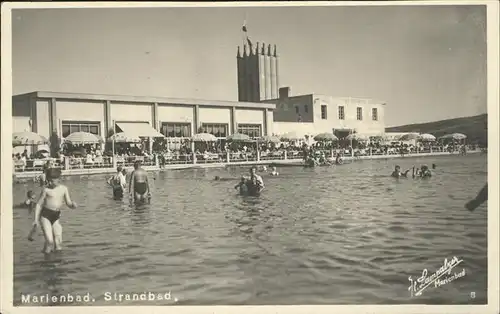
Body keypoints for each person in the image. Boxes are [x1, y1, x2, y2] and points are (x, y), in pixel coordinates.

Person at [31, 168, 77, 252]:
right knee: (50, 241)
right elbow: (38, 204)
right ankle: (46, 261)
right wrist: (35, 219)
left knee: (58, 242)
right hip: (45, 216)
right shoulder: (46, 190)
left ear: (59, 179)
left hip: (56, 217)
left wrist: (73, 206)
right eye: (48, 181)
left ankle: (57, 261)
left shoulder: (64, 189)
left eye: (52, 181)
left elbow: (68, 203)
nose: (50, 183)